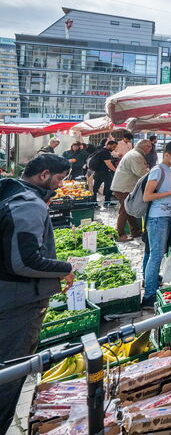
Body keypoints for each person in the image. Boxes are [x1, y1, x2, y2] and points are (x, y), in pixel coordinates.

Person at [0, 155, 74, 432]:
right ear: (44, 175)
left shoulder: (10, 191)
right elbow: (25, 261)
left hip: (7, 296)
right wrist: (64, 268)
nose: (60, 186)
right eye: (59, 179)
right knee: (10, 373)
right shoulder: (29, 204)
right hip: (17, 303)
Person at [140, 141, 171, 308]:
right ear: (167, 154)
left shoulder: (168, 171)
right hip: (157, 218)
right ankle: (149, 296)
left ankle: (149, 285)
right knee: (156, 255)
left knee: (151, 254)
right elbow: (147, 196)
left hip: (162, 217)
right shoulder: (158, 171)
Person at [111, 139, 153, 240]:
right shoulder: (136, 156)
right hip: (124, 187)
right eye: (150, 147)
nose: (151, 149)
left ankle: (135, 231)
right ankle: (119, 233)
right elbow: (141, 172)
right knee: (125, 210)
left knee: (129, 209)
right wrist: (154, 175)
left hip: (124, 186)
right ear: (145, 147)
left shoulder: (135, 154)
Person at [88, 140, 118, 204]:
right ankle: (107, 201)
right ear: (108, 145)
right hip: (104, 172)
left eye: (115, 147)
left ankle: (93, 201)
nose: (114, 148)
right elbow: (108, 164)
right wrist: (116, 171)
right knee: (109, 186)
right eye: (113, 147)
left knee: (96, 186)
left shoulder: (101, 150)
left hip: (97, 172)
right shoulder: (106, 152)